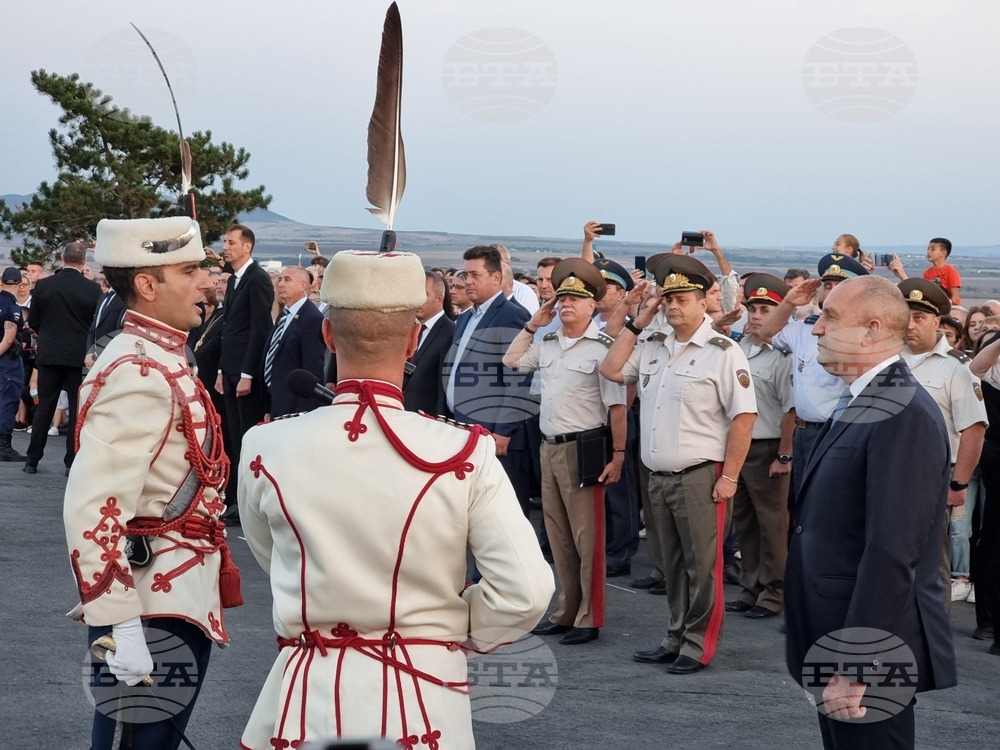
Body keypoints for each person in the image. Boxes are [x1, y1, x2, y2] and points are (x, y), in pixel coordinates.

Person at [237, 249, 553, 748]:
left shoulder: (265, 444)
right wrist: (450, 625)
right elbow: (526, 592)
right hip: (424, 694)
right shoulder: (464, 448)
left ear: (327, 334)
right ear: (412, 341)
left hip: (308, 691)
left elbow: (272, 553)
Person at [64, 217, 241, 750]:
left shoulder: (161, 357)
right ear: (146, 283)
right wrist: (120, 623)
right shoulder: (139, 371)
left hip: (174, 593)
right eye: (189, 271)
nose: (206, 282)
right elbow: (94, 505)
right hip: (148, 603)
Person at [785, 275, 956, 749]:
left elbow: (891, 552)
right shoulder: (867, 399)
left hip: (868, 651)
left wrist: (856, 666)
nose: (816, 328)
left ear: (871, 330)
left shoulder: (902, 411)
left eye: (830, 317)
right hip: (836, 631)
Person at [601, 255, 757, 674]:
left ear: (704, 302)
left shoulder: (723, 352)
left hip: (700, 476)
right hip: (657, 476)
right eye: (667, 298)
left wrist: (730, 477)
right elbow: (611, 369)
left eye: (682, 298)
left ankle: (697, 644)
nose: (672, 305)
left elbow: (744, 417)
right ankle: (674, 635)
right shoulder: (653, 345)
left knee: (701, 567)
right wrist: (637, 323)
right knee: (670, 563)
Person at [504, 258, 626, 645]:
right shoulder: (548, 343)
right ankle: (566, 610)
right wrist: (532, 325)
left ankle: (589, 617)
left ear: (593, 305)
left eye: (575, 299)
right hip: (550, 447)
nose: (566, 304)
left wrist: (618, 455)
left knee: (587, 539)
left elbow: (618, 407)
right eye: (562, 298)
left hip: (584, 449)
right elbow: (511, 361)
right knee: (558, 537)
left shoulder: (602, 348)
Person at [897, 280, 988, 604]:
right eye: (906, 316)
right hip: (889, 471)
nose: (910, 324)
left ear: (937, 321)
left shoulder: (956, 368)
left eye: (919, 317)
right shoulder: (888, 361)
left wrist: (958, 484)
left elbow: (974, 429)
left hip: (933, 475)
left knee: (932, 558)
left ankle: (933, 625)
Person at [759, 253, 869, 505]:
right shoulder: (804, 329)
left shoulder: (859, 335)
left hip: (838, 432)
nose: (831, 292)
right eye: (827, 286)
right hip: (804, 432)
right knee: (804, 504)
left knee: (834, 504)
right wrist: (789, 302)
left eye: (839, 287)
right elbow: (766, 332)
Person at [725, 274, 796, 620]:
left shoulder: (783, 356)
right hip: (737, 447)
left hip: (768, 448)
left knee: (772, 525)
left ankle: (774, 592)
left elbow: (790, 410)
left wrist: (784, 454)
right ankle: (751, 587)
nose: (755, 316)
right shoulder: (737, 349)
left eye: (765, 310)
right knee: (745, 522)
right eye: (752, 308)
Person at [446, 246, 534, 516]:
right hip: (462, 427)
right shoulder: (465, 318)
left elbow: (518, 379)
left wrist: (504, 430)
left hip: (494, 434)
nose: (467, 281)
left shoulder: (511, 315)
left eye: (475, 275)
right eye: (465, 275)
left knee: (501, 513)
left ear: (496, 278)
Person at [23, 241, 102, 475]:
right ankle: (71, 461)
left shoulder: (44, 285)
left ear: (62, 258)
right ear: (84, 261)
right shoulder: (92, 289)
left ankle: (32, 460)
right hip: (78, 357)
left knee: (45, 407)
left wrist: (45, 335)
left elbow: (33, 320)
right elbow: (95, 325)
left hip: (49, 354)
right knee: (77, 409)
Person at [214, 224, 274, 522]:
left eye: (231, 242)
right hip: (231, 370)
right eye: (225, 242)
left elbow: (260, 329)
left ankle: (249, 502)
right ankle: (237, 499)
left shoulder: (257, 279)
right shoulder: (237, 279)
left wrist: (248, 373)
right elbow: (230, 329)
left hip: (246, 373)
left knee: (247, 440)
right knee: (234, 438)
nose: (225, 247)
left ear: (247, 246)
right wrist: (222, 369)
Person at [264, 266, 326, 418]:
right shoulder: (284, 316)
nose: (280, 284)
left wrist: (303, 412)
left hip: (295, 407)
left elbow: (312, 370)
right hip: (276, 402)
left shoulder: (312, 319)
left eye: (287, 280)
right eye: (279, 279)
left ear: (302, 285)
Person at [403, 271, 455, 417]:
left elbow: (444, 386)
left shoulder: (452, 333)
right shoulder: (405, 329)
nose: (417, 300)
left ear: (439, 299)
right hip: (400, 413)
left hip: (429, 417)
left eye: (424, 295)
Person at [0, 267, 26, 461]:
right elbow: (8, 340)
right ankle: (4, 447)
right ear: (19, 283)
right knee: (7, 402)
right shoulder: (12, 308)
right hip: (7, 363)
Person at [889, 237, 962, 305]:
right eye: (928, 249)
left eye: (932, 249)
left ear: (943, 253)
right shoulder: (927, 273)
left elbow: (954, 297)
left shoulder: (951, 272)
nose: (928, 252)